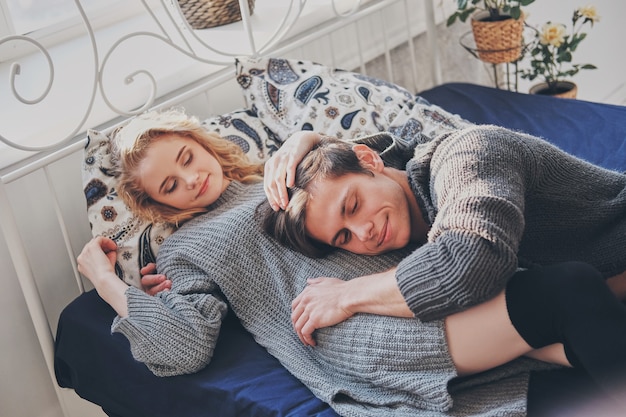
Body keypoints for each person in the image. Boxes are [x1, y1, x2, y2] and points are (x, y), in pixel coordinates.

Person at [77, 109, 619, 416]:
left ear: (200, 143)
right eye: (170, 185)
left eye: (186, 158)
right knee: (566, 294)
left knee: (580, 359)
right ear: (159, 205)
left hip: (421, 279)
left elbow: (386, 163)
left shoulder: (280, 171)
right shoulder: (186, 246)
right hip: (356, 324)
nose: (191, 179)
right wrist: (106, 280)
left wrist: (309, 137)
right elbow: (181, 343)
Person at [261, 133, 626, 404]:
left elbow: (471, 259)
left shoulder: (468, 153)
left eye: (352, 205)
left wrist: (347, 295)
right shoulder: (407, 214)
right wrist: (317, 141)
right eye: (343, 237)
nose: (363, 232)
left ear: (370, 160)